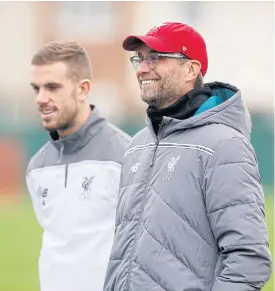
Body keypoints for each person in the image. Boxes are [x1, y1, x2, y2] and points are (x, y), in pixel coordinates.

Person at [103, 22, 272, 291]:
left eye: (156, 57)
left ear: (191, 69)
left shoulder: (224, 146)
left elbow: (248, 260)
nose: (142, 68)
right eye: (140, 58)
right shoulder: (137, 145)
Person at [26, 40, 131, 291]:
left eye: (52, 87)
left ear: (83, 89)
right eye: (36, 88)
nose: (41, 98)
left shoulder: (127, 156)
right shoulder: (36, 167)